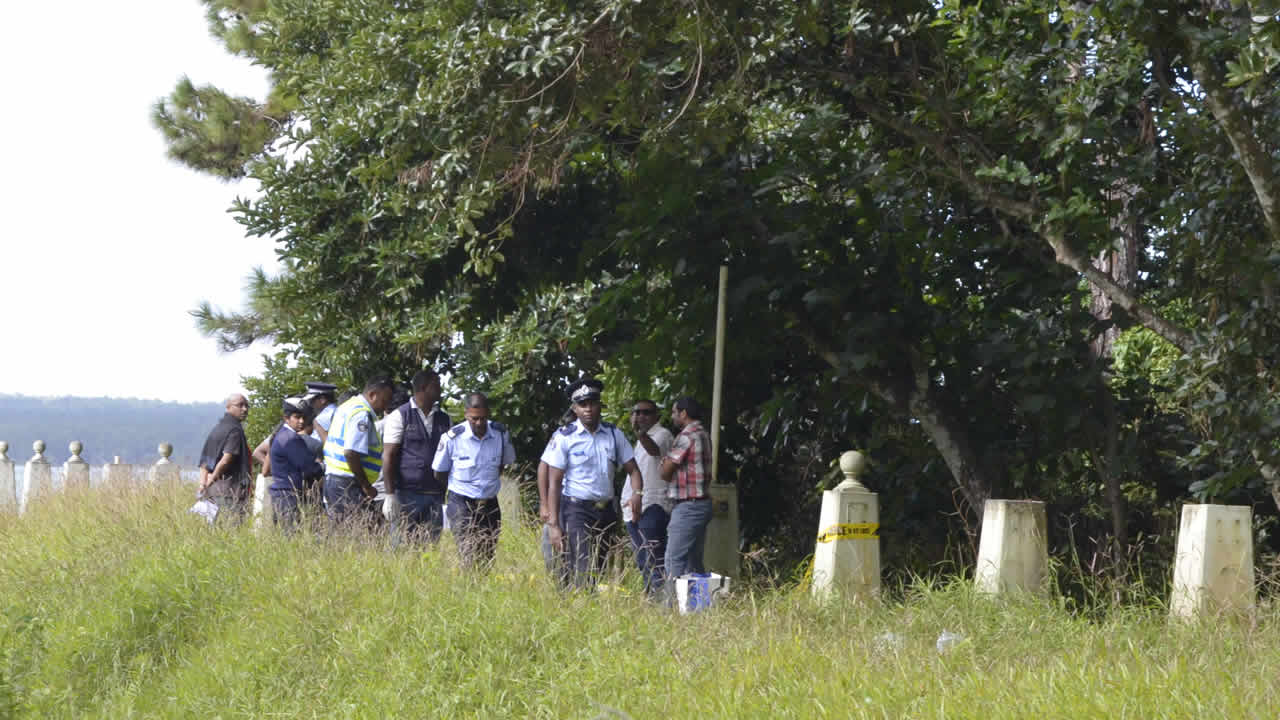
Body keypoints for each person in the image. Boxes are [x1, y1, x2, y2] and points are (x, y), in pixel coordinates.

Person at [543, 378, 644, 590]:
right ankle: (581, 600)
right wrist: (553, 524)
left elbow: (634, 470)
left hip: (606, 511)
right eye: (582, 404)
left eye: (592, 403)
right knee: (583, 565)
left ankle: (581, 601)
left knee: (599, 566)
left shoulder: (614, 434)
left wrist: (637, 494)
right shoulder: (565, 437)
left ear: (600, 405)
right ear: (575, 408)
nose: (588, 409)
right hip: (577, 510)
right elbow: (554, 483)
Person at [433, 392, 516, 569]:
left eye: (483, 418)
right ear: (466, 415)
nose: (479, 423)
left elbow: (502, 464)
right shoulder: (452, 438)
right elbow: (439, 473)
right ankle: (467, 583)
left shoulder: (500, 434)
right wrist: (456, 490)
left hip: (490, 503)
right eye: (474, 419)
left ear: (488, 414)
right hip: (462, 503)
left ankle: (482, 584)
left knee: (488, 556)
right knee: (468, 554)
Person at [381, 369, 453, 546]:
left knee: (430, 547)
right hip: (406, 494)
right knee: (401, 547)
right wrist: (390, 495)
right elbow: (388, 455)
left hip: (435, 494)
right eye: (436, 384)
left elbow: (451, 457)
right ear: (423, 388)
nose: (440, 389)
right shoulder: (400, 415)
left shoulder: (445, 419)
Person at [322, 377, 395, 532]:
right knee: (361, 534)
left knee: (344, 533)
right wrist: (366, 486)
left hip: (335, 480)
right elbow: (351, 453)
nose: (386, 406)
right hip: (348, 483)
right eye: (384, 400)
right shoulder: (361, 414)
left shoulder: (347, 406)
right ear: (373, 395)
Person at [661, 396, 714, 603]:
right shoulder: (703, 434)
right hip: (702, 504)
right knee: (693, 561)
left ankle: (670, 608)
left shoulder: (686, 437)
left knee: (673, 559)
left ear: (683, 413)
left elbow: (665, 473)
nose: (673, 416)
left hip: (688, 506)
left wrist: (664, 462)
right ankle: (699, 607)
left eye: (674, 412)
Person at [621, 399, 675, 596]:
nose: (640, 416)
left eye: (646, 412)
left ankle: (660, 601)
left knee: (654, 558)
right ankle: (651, 600)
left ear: (657, 416)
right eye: (636, 412)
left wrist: (641, 434)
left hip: (654, 505)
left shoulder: (663, 434)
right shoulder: (639, 439)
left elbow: (654, 451)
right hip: (634, 506)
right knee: (643, 560)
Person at [269, 397, 325, 531]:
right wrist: (324, 467)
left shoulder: (282, 435)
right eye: (297, 417)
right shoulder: (291, 439)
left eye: (303, 417)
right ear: (286, 418)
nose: (302, 421)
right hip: (288, 496)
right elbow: (309, 468)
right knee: (291, 537)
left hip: (282, 495)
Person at [197, 393, 253, 524]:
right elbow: (226, 459)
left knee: (214, 531)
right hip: (231, 493)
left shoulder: (217, 428)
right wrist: (211, 480)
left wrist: (203, 484)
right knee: (232, 532)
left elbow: (205, 461)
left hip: (212, 493)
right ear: (228, 407)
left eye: (247, 406)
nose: (245, 409)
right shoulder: (235, 430)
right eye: (240, 405)